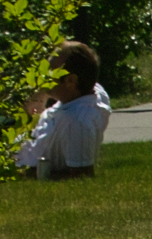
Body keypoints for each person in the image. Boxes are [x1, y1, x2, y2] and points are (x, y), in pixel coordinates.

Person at [15, 39, 110, 179]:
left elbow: (81, 176)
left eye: (49, 74)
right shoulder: (93, 91)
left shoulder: (78, 122)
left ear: (71, 81)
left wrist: (25, 175)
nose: (43, 77)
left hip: (14, 163)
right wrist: (40, 96)